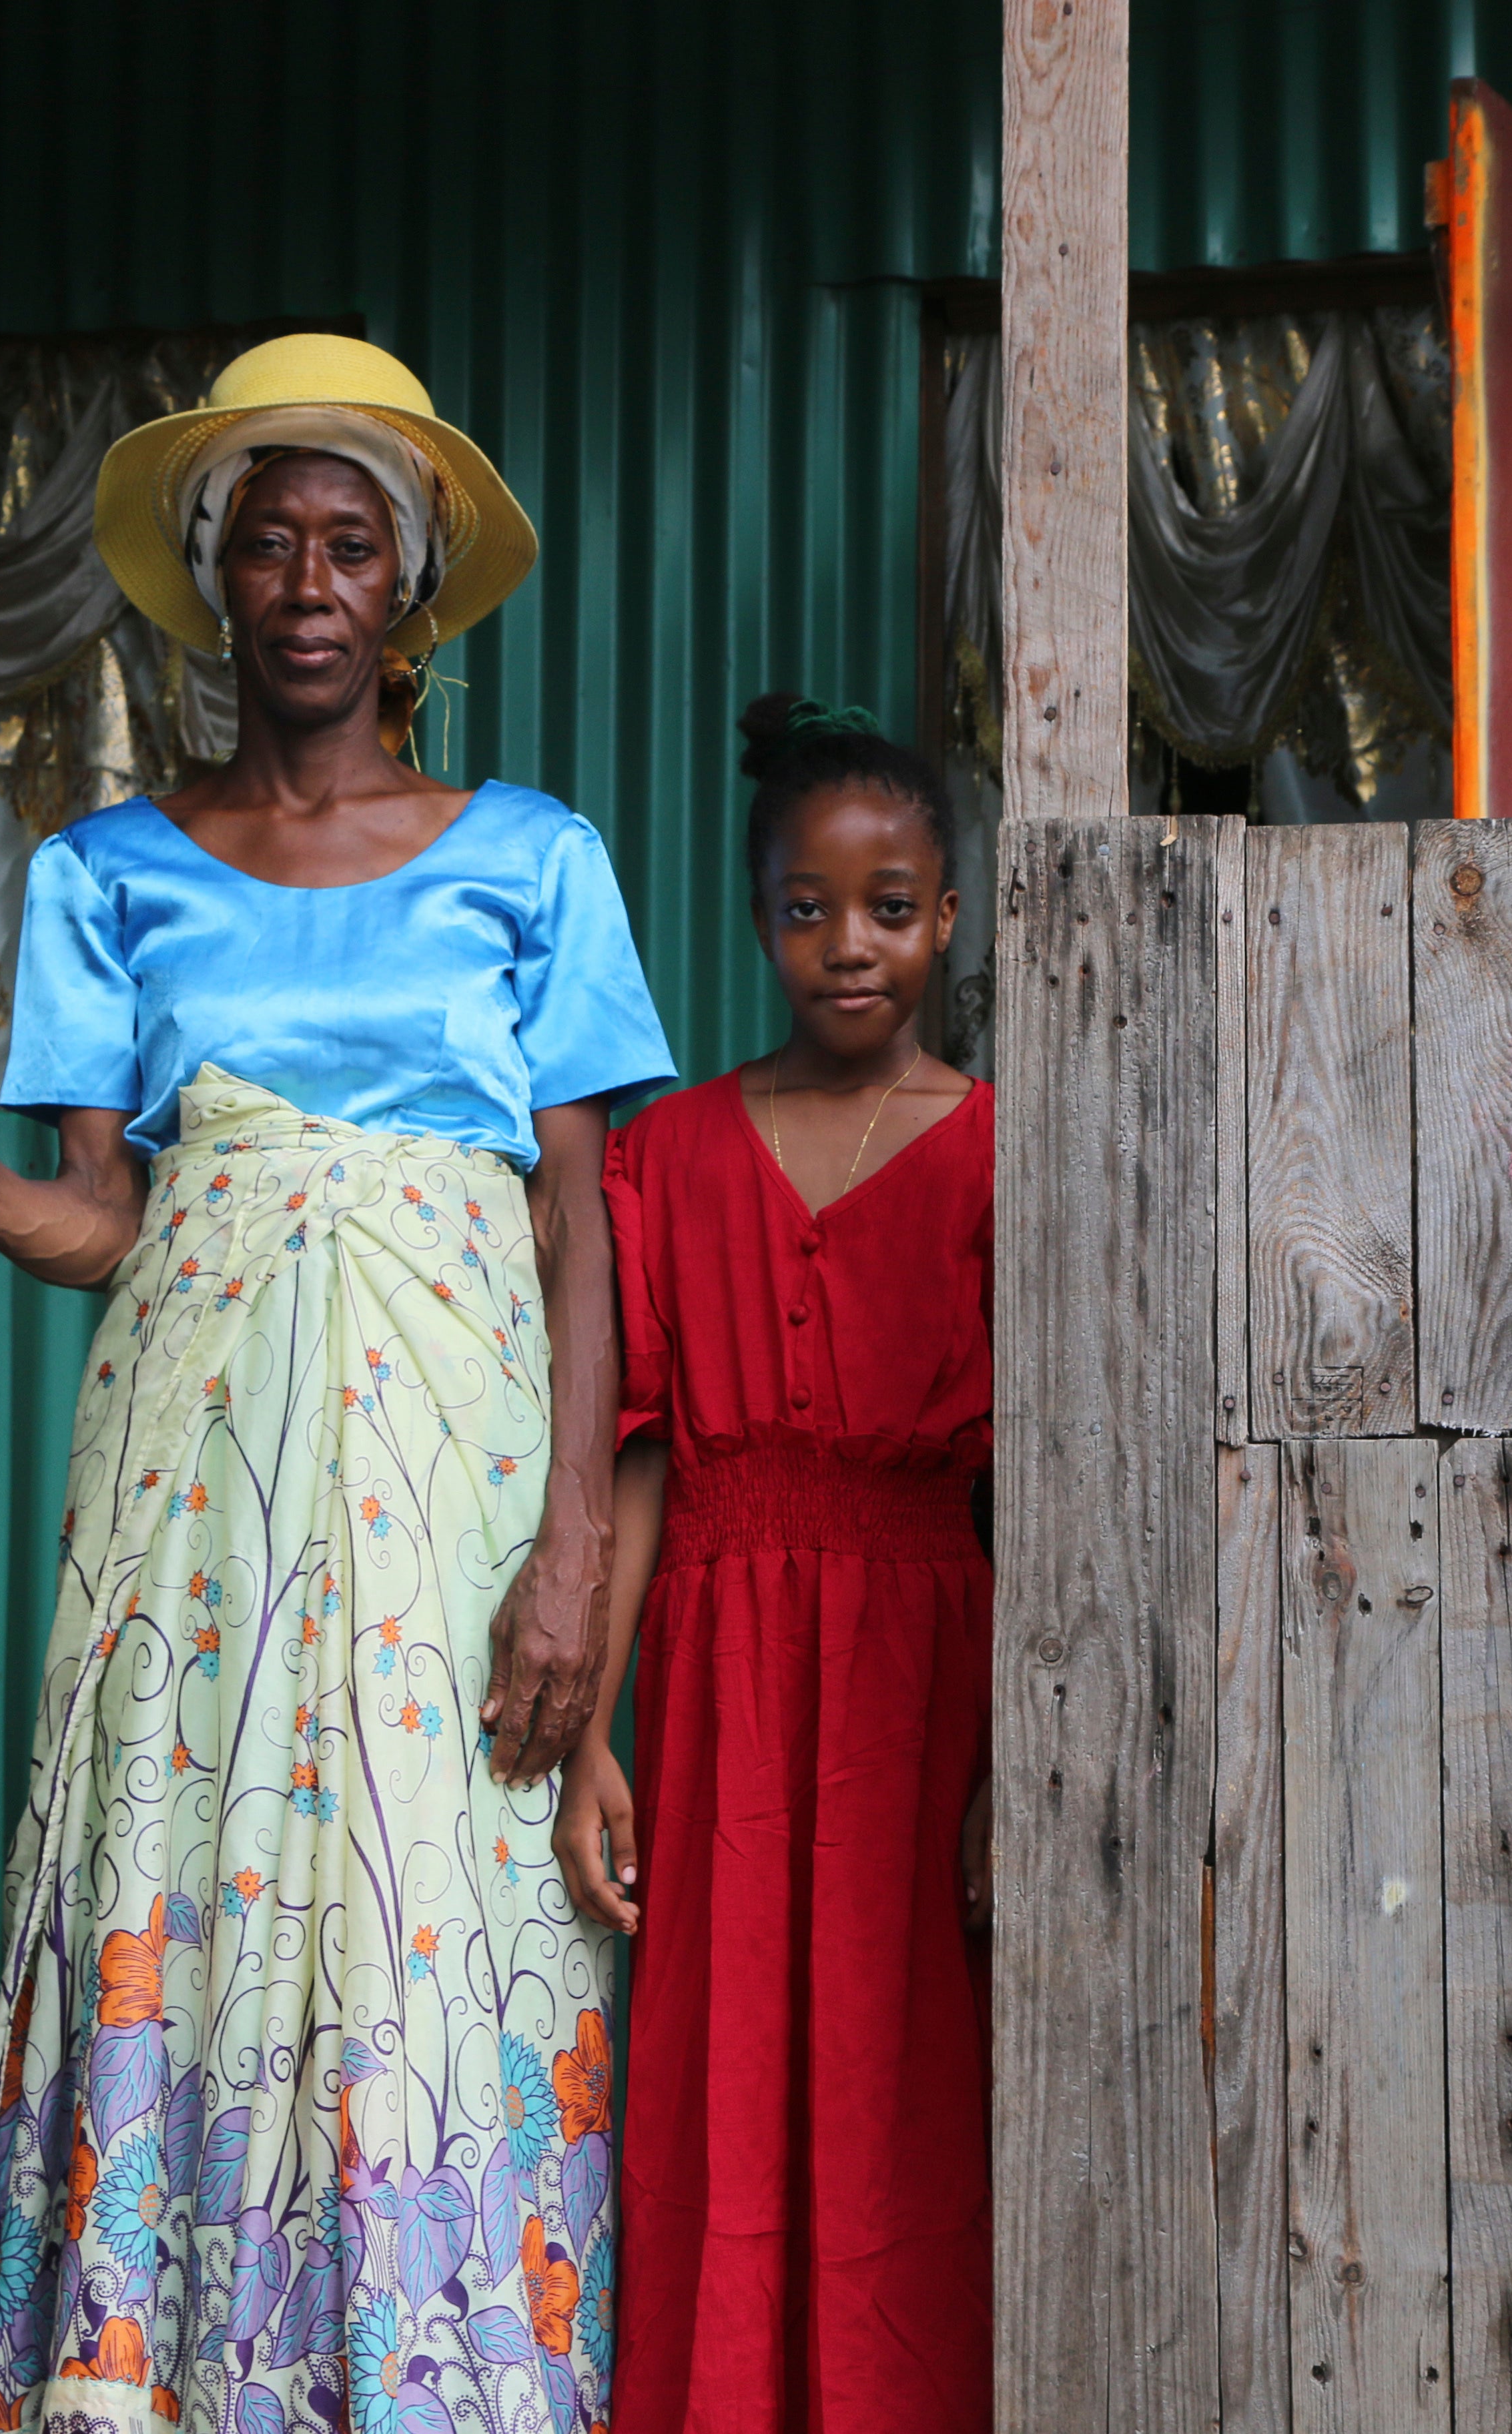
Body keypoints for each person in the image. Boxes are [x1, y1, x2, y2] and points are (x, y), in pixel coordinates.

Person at [0, 334, 674, 2434]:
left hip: (453, 1509)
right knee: (187, 1879)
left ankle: (436, 2378)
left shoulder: (533, 859)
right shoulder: (109, 874)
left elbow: (582, 1225)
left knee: (434, 1904)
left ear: (412, 590)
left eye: (352, 543)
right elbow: (114, 1221)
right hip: (197, 1513)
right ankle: (155, 2376)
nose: (307, 580)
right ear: (215, 581)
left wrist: (576, 1563)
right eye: (265, 544)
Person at [552, 695, 995, 2434]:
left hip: (928, 1678)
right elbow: (644, 1460)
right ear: (759, 921)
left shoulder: (1005, 1146)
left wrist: (1009, 1777)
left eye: (891, 905)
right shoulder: (669, 1155)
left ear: (948, 917)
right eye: (808, 908)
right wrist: (594, 1730)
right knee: (721, 2077)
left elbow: (1043, 1491)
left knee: (910, 2085)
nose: (851, 944)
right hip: (724, 1680)